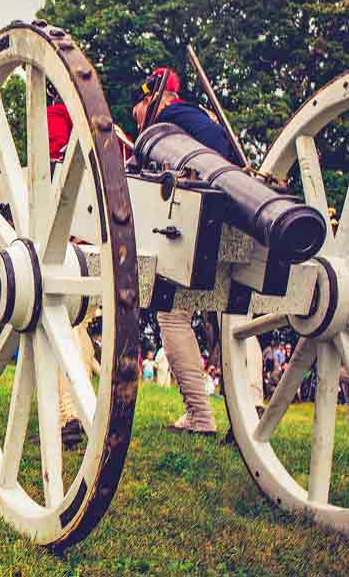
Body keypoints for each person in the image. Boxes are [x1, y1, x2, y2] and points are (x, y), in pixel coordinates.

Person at [132, 67, 239, 436]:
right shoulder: (203, 120)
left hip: (199, 219)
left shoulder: (166, 124)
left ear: (156, 98)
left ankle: (200, 415)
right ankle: (241, 421)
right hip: (235, 217)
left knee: (172, 316)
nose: (137, 112)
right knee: (236, 312)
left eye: (142, 103)